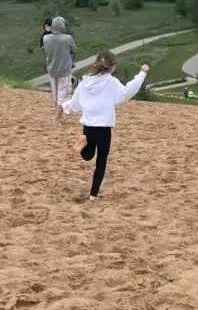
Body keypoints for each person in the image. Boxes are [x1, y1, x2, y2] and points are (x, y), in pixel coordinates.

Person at [56, 50, 149, 201]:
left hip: (87, 126)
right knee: (101, 161)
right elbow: (127, 92)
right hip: (104, 128)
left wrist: (64, 109)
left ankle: (84, 142)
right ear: (112, 67)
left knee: (88, 156)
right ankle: (93, 195)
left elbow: (75, 102)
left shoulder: (85, 81)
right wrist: (142, 74)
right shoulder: (111, 82)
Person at [42, 15, 76, 108]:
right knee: (63, 94)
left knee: (55, 93)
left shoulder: (46, 38)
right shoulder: (68, 38)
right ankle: (59, 116)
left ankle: (56, 108)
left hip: (51, 68)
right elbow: (74, 50)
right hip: (64, 69)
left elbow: (45, 51)